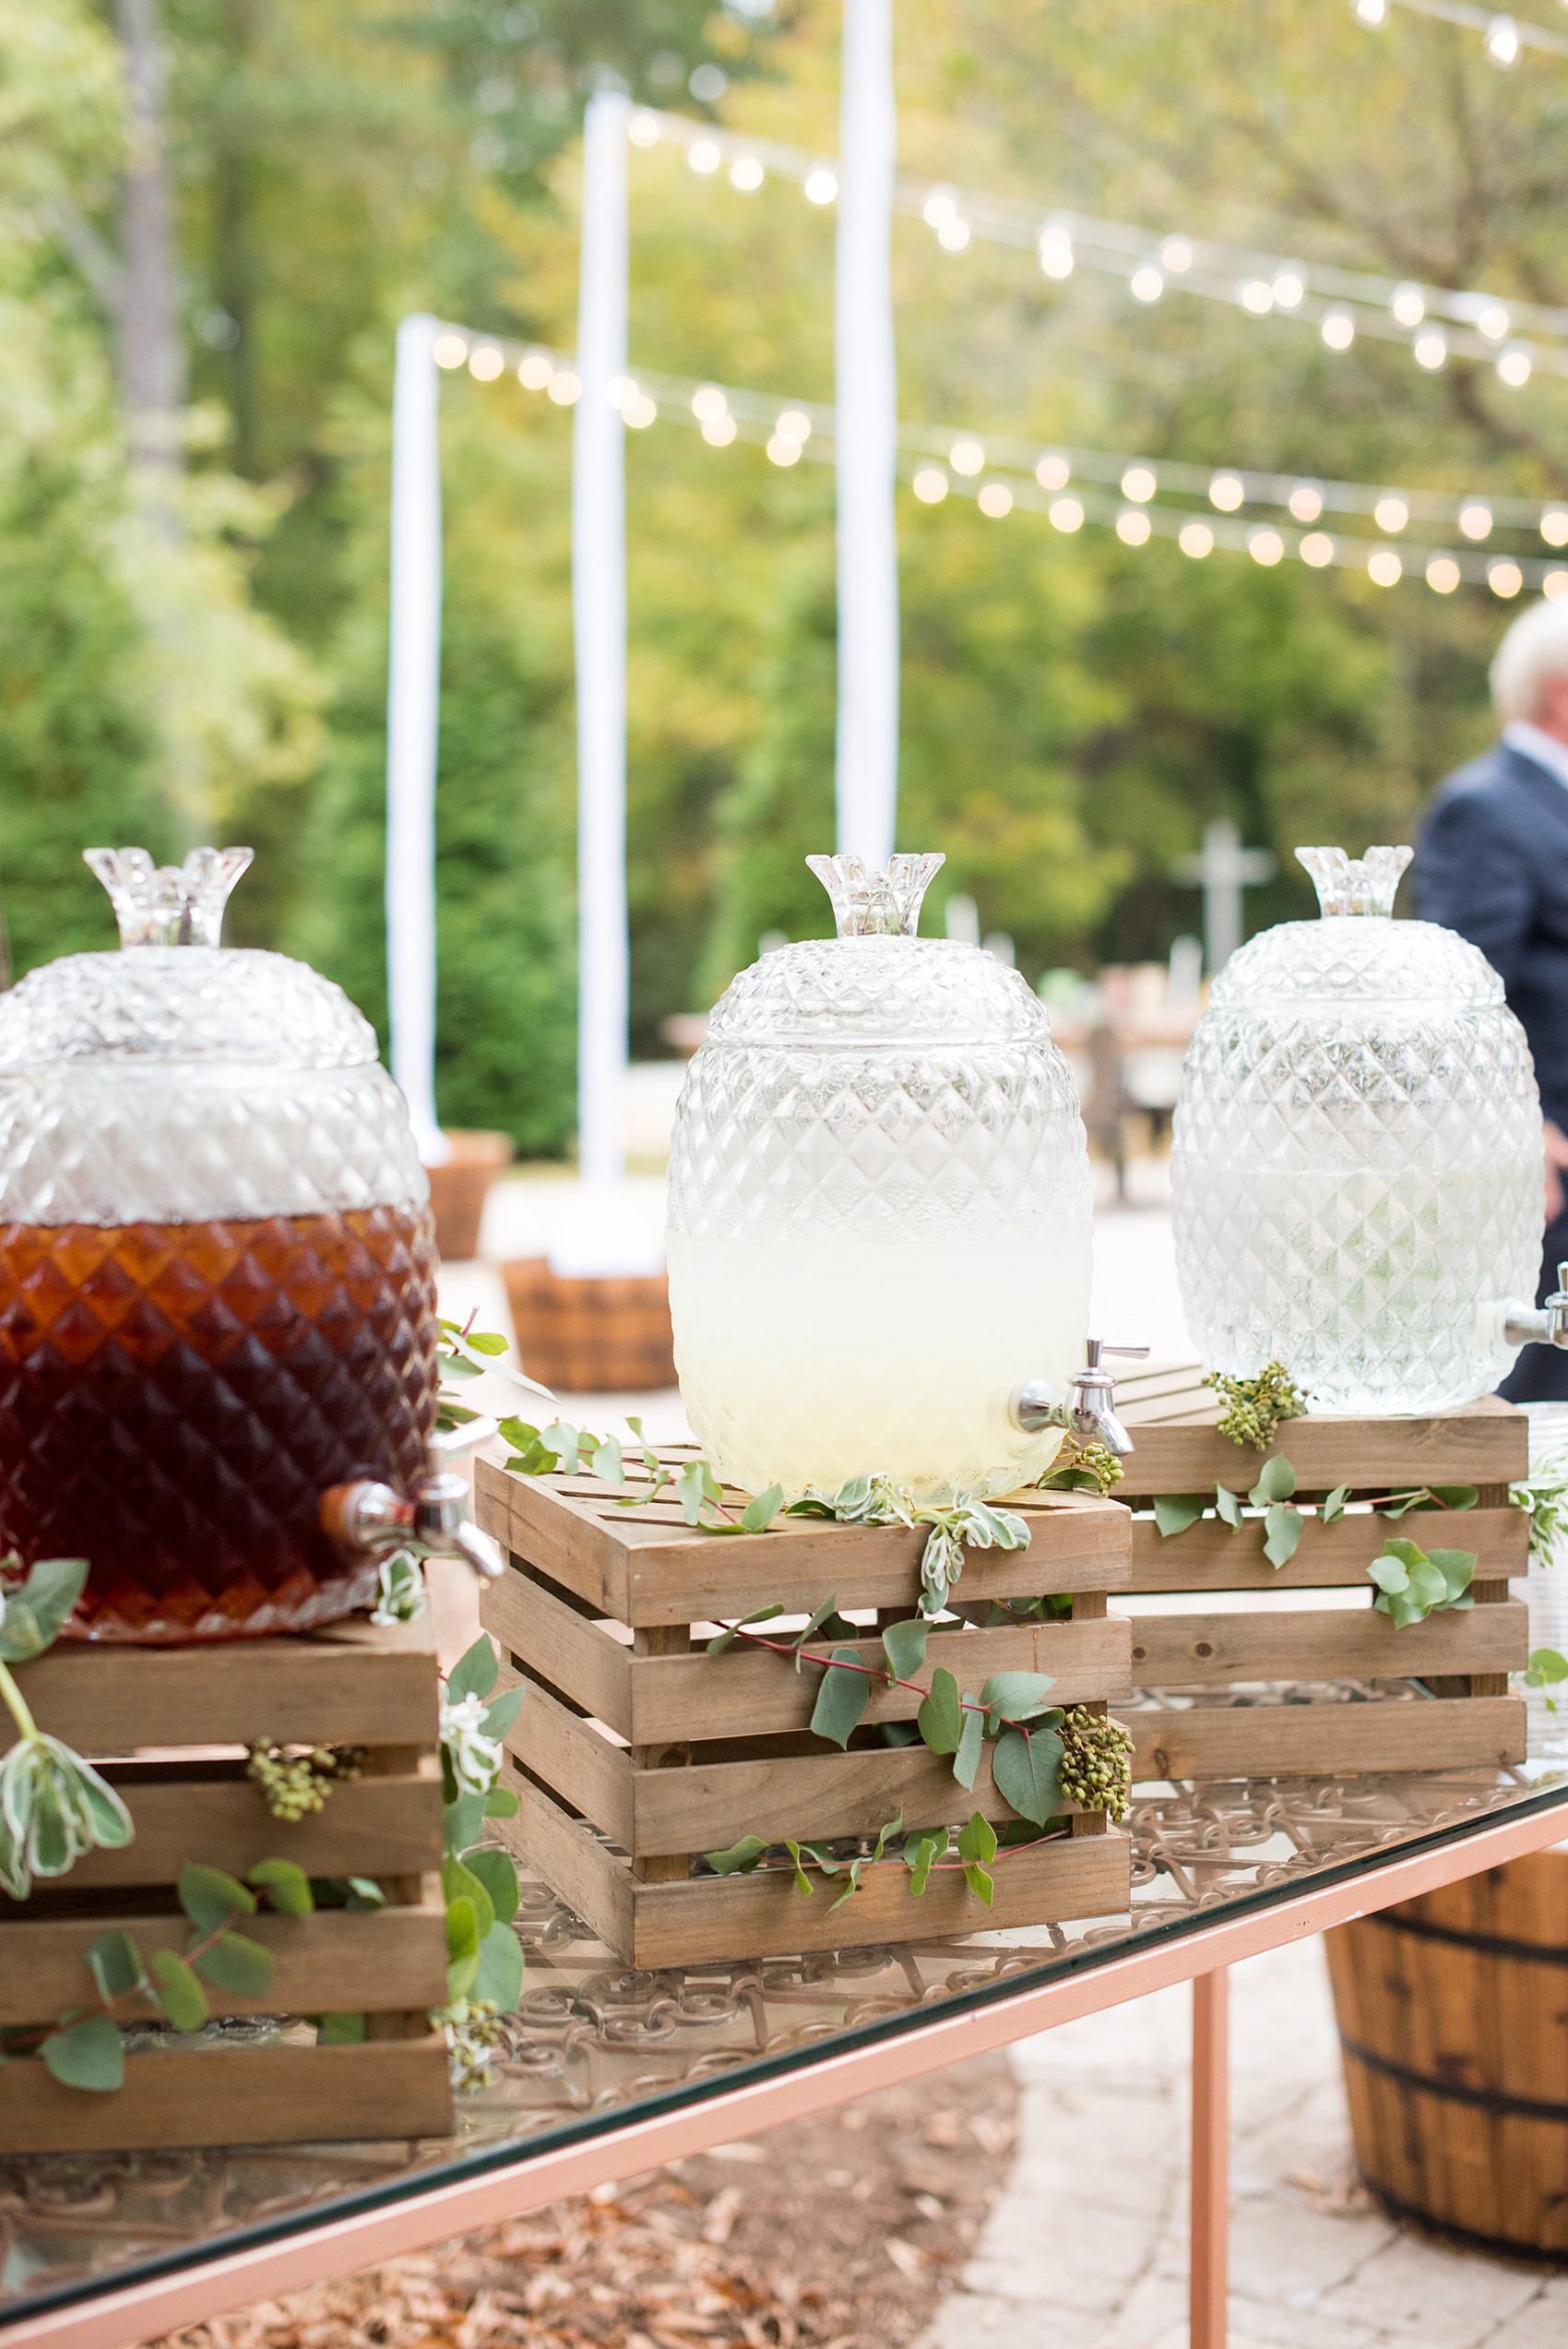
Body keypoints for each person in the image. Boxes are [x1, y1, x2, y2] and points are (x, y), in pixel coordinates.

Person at [1418, 597, 1568, 1400]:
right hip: (1550, 1169)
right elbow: (1454, 994)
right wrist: (1515, 1129)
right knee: (1542, 1414)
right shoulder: (1485, 810)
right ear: (1562, 690)